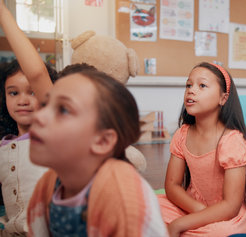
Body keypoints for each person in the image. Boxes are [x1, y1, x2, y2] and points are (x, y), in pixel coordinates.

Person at [26, 69, 167, 236]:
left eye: (63, 110)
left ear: (102, 141)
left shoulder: (125, 200)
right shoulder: (48, 185)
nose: (37, 116)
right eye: (44, 105)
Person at [157, 62, 246, 236]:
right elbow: (172, 185)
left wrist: (179, 224)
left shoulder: (232, 140)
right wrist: (198, 212)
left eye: (202, 85)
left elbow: (230, 206)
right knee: (143, 205)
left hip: (226, 217)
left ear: (223, 98)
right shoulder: (182, 134)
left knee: (220, 232)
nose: (191, 90)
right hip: (191, 207)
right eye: (189, 85)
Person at [0, 2, 58, 234]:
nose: (22, 100)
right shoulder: (3, 146)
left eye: (32, 92)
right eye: (13, 93)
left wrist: (3, 12)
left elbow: (36, 72)